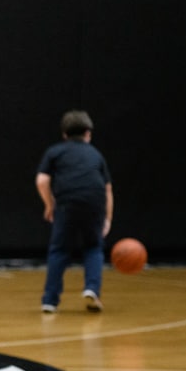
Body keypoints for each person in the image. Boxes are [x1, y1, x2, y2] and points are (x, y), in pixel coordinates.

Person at [35, 109, 113, 313]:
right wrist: (107, 218)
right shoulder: (96, 154)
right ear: (88, 133)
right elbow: (107, 189)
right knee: (93, 247)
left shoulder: (55, 151)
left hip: (68, 201)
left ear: (64, 134)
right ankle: (92, 288)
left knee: (60, 250)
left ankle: (50, 301)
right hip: (94, 201)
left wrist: (49, 204)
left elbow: (42, 180)